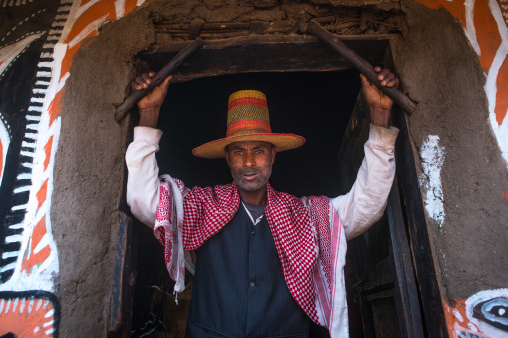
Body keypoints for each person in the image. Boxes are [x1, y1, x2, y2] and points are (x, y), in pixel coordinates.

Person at [126, 68, 399, 338]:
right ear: (227, 158)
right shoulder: (202, 206)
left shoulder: (304, 215)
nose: (248, 162)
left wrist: (380, 115)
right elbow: (145, 202)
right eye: (238, 152)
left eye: (258, 151)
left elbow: (366, 204)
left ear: (273, 155)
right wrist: (149, 114)